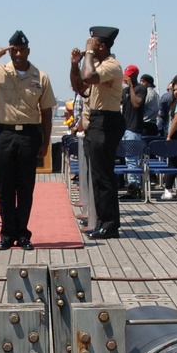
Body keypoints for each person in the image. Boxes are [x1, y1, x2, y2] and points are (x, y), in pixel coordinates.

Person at [0, 30, 56, 251]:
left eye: (22, 50)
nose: (18, 54)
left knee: (25, 188)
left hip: (29, 135)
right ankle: (6, 234)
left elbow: (47, 112)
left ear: (28, 51)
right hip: (4, 134)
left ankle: (23, 234)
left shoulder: (40, 76)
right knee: (5, 188)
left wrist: (45, 143)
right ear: (9, 51)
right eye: (14, 50)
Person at [70, 26, 124, 239]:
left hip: (106, 121)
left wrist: (89, 53)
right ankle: (103, 221)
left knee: (103, 176)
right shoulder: (97, 65)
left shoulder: (112, 66)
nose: (89, 46)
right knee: (98, 175)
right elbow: (79, 85)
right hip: (97, 121)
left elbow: (90, 77)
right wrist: (75, 64)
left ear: (102, 45)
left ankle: (109, 225)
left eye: (92, 43)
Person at [120, 64, 147, 196]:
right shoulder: (124, 92)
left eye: (129, 76)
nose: (127, 78)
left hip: (134, 128)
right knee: (126, 159)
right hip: (124, 127)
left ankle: (134, 187)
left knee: (132, 158)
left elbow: (136, 103)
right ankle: (131, 184)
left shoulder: (141, 89)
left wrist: (131, 86)